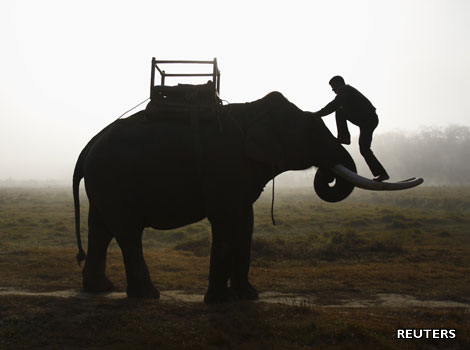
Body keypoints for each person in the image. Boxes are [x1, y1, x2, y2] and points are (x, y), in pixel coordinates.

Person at [312, 76, 389, 182]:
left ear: (338, 84)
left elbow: (333, 105)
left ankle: (344, 138)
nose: (332, 90)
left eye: (333, 87)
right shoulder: (346, 91)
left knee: (364, 148)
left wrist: (317, 114)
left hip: (368, 120)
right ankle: (345, 138)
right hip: (365, 119)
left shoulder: (345, 90)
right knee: (364, 149)